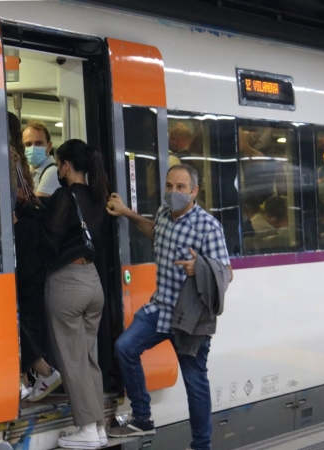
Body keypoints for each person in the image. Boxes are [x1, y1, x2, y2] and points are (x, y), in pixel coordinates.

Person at [105, 164, 232, 450]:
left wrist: (197, 267)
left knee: (194, 381)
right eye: (169, 186)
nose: (173, 192)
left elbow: (227, 272)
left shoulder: (207, 225)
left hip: (191, 317)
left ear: (194, 191)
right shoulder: (164, 214)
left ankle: (202, 445)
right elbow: (155, 231)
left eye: (181, 187)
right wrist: (127, 213)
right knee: (125, 347)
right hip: (161, 308)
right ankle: (142, 417)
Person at [39, 139, 110, 449]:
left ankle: (86, 429)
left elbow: (48, 239)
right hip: (93, 282)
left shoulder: (64, 196)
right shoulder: (99, 197)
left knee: (72, 359)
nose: (57, 169)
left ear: (66, 166)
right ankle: (99, 425)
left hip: (67, 283)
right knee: (89, 358)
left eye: (58, 164)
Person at [9, 112, 60, 402]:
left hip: (24, 242)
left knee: (20, 312)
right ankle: (30, 374)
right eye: (29, 142)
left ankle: (39, 370)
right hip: (30, 244)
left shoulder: (13, 160)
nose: (32, 149)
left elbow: (22, 199)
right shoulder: (23, 164)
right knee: (26, 311)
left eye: (38, 143)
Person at [23, 121, 60, 198]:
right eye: (28, 144)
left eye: (38, 143)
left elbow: (34, 208)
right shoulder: (30, 171)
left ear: (49, 146)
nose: (33, 148)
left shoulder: (52, 172)